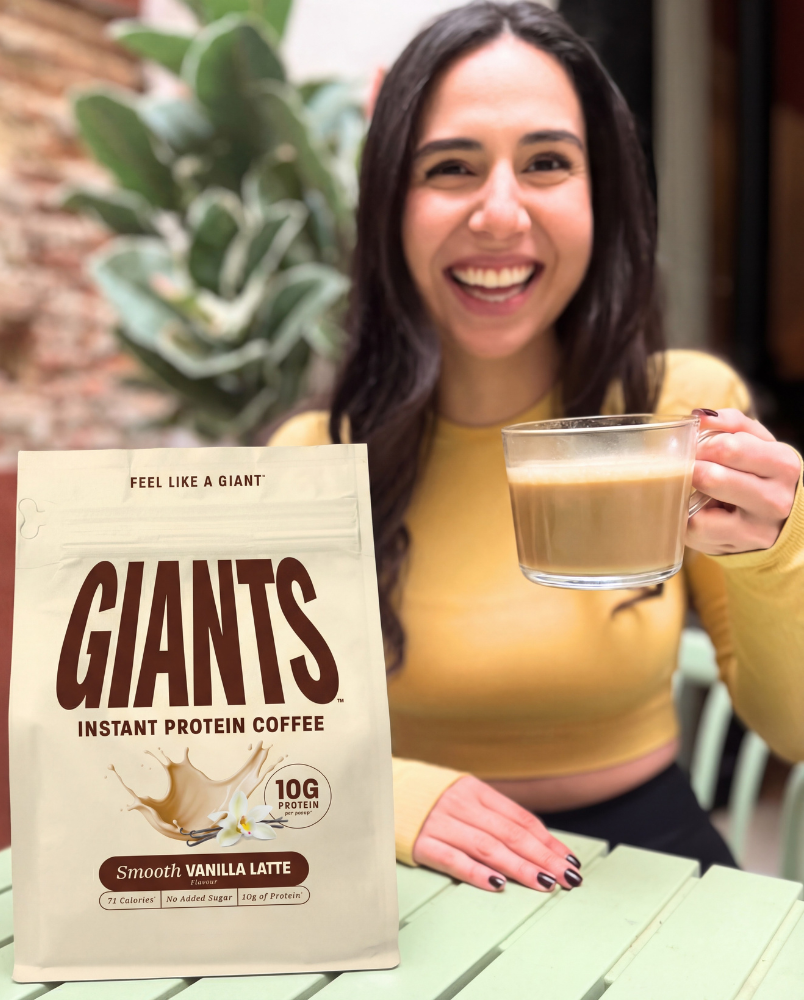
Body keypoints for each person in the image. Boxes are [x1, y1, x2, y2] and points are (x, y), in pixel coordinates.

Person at [270, 1, 804, 895]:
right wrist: (385, 796)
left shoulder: (685, 406)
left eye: (548, 163)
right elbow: (240, 738)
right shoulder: (311, 455)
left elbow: (793, 730)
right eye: (451, 168)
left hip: (651, 864)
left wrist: (774, 551)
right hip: (394, 870)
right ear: (391, 203)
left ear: (604, 194)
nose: (501, 214)